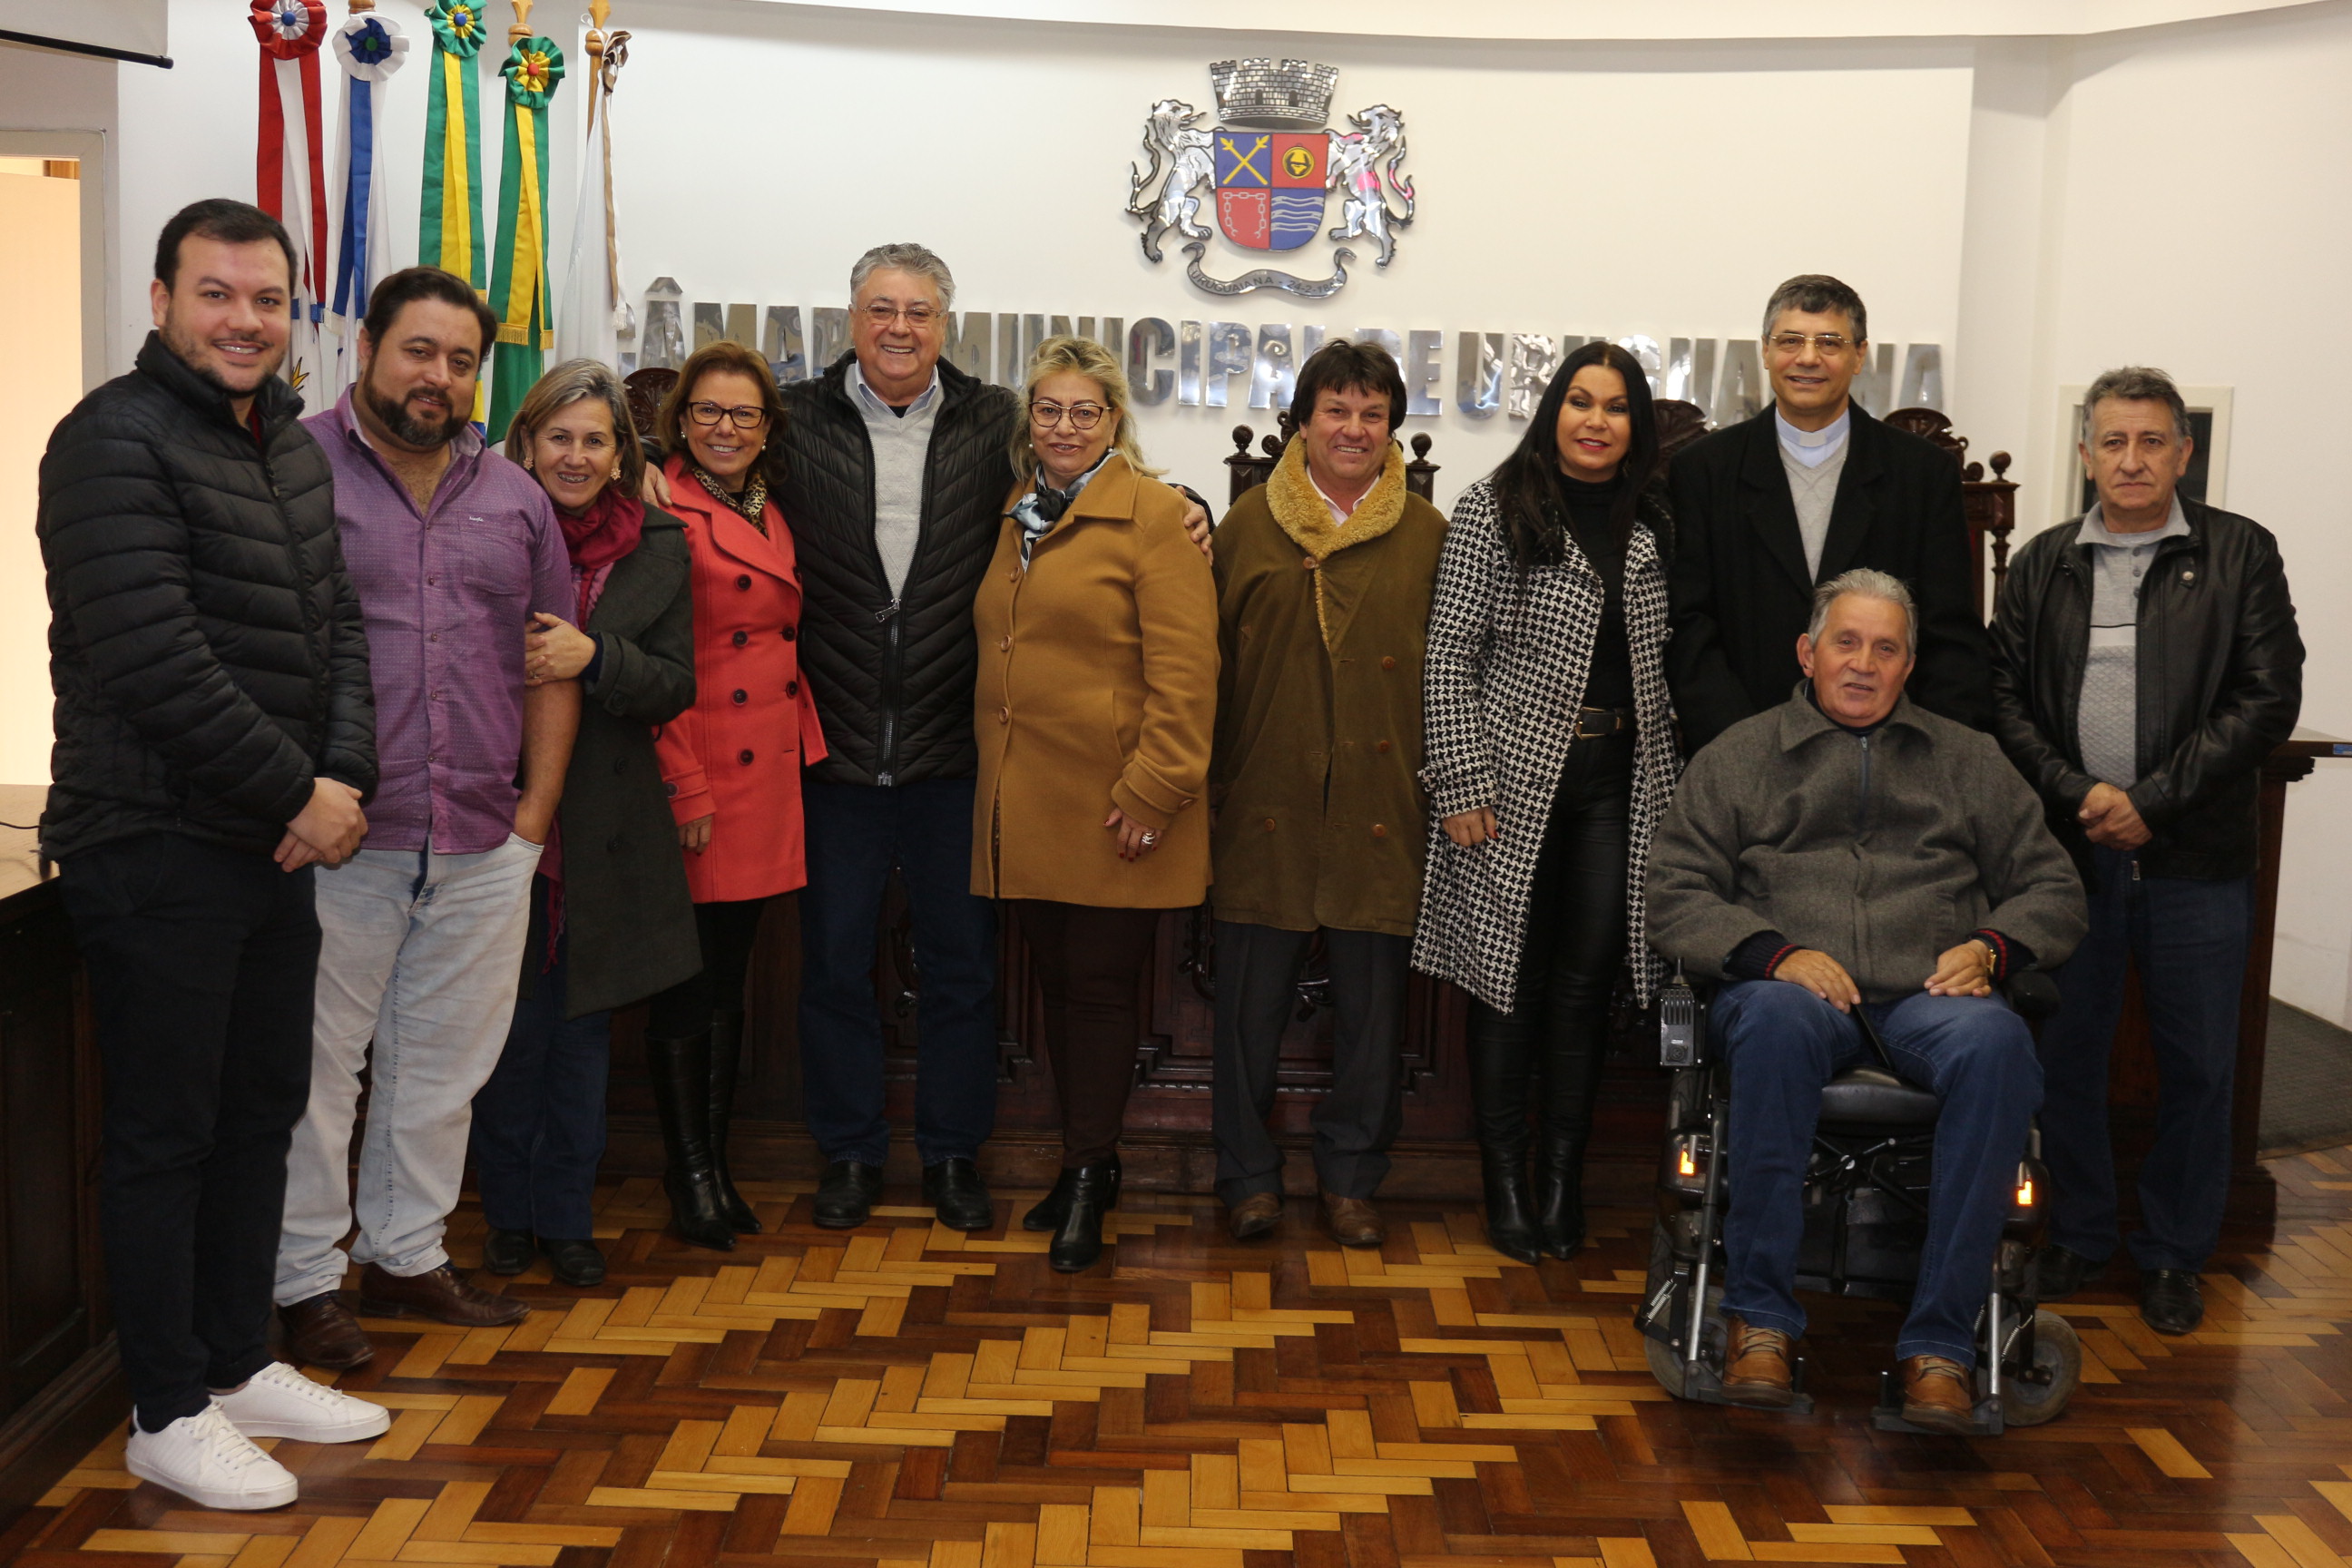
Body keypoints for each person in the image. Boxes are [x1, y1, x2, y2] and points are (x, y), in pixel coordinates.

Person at [727, 244, 1207, 1232]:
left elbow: (1097, 484)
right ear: (851, 318)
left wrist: (1192, 507)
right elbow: (713, 470)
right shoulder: (794, 420)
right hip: (835, 746)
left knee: (962, 972)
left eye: (919, 311)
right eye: (880, 309)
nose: (899, 328)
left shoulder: (998, 423)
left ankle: (953, 1156)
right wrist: (651, 480)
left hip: (959, 756)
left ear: (946, 324)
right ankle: (849, 1153)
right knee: (832, 969)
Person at [36, 198, 390, 1509]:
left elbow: (337, 631)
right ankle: (167, 1408)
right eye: (215, 294)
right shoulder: (108, 441)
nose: (244, 320)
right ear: (161, 301)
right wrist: (300, 792)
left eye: (266, 299)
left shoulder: (286, 446)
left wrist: (338, 783)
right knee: (166, 1136)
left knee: (258, 1116)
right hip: (154, 845)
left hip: (269, 848)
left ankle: (238, 1364)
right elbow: (153, 661)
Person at [1646, 570, 2085, 1433]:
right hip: (1791, 995)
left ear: (1909, 666)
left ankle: (1941, 1347)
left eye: (1886, 649)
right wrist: (1775, 955)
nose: (1863, 663)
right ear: (1807, 653)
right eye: (1845, 643)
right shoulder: (1738, 756)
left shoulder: (1969, 760)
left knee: (1999, 1045)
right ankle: (1760, 1322)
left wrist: (1990, 949)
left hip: (1930, 994)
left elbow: (2054, 889)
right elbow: (1674, 892)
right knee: (1772, 1023)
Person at [275, 266, 580, 1370]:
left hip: (482, 838)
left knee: (443, 1070)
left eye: (460, 360)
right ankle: (304, 1283)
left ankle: (406, 1256)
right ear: (367, 349)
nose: (437, 377)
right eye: (419, 351)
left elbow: (553, 664)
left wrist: (533, 817)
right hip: (338, 838)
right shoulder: (292, 468)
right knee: (318, 1078)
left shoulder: (516, 498)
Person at [1992, 367, 2303, 1336]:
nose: (2132, 460)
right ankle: (2083, 1233)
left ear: (2184, 452)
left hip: (2194, 856)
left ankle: (2173, 1253)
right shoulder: (2042, 563)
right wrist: (2081, 793)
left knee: (2200, 1067)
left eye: (2152, 441)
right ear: (2086, 453)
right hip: (2068, 855)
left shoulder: (2240, 553)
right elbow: (2003, 701)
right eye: (2114, 442)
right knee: (2065, 1058)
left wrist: (2151, 804)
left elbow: (2267, 697)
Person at [1415, 342, 1682, 1264]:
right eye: (1580, 401)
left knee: (1585, 984)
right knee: (1509, 981)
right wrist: (1460, 782)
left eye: (1616, 406)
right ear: (1552, 411)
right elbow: (1449, 652)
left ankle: (1562, 1179)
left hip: (1622, 782)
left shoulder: (1658, 519)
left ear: (1636, 425)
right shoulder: (1495, 506)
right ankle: (1505, 1183)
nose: (1596, 421)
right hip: (1508, 784)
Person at [972, 335, 1218, 1271]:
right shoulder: (1015, 512)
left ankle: (1087, 1175)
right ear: (1029, 420)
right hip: (1028, 803)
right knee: (1061, 993)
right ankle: (1087, 1163)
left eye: (1085, 411)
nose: (1065, 427)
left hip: (1119, 806)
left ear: (1115, 420)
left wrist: (1154, 790)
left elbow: (1189, 674)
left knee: (1102, 996)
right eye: (1049, 410)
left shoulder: (1156, 514)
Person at [1205, 339, 1447, 1250]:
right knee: (1245, 1009)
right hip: (1263, 796)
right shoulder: (1246, 527)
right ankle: (1246, 1177)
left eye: (1372, 414)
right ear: (1302, 423)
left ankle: (1351, 1179)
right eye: (1336, 411)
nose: (1354, 429)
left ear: (1393, 430)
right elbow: (1207, 668)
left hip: (1381, 803)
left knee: (1374, 1015)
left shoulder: (1429, 536)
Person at [469, 359, 699, 1287]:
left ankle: (567, 1219)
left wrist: (593, 655)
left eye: (595, 440)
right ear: (524, 443)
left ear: (619, 454)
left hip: (606, 828)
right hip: (491, 816)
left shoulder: (659, 541)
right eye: (558, 437)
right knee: (507, 1032)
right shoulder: (478, 524)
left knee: (581, 1036)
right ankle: (506, 1216)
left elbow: (674, 683)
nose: (575, 455)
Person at [640, 340, 824, 1250]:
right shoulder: (655, 505)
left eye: (744, 413)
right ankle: (689, 1177)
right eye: (707, 411)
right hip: (701, 773)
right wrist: (684, 784)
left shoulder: (771, 508)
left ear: (766, 428)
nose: (725, 428)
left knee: (728, 978)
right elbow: (653, 662)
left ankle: (714, 1167)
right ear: (680, 420)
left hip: (765, 776)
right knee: (687, 984)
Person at [1665, 274, 1991, 750]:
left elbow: (1949, 634)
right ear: (1765, 350)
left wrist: (1921, 754)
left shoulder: (1921, 473)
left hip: (1887, 752)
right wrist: (1739, 748)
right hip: (1742, 748)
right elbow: (1691, 627)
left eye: (1830, 343)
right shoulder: (1703, 470)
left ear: (1859, 356)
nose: (1808, 358)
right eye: (1790, 341)